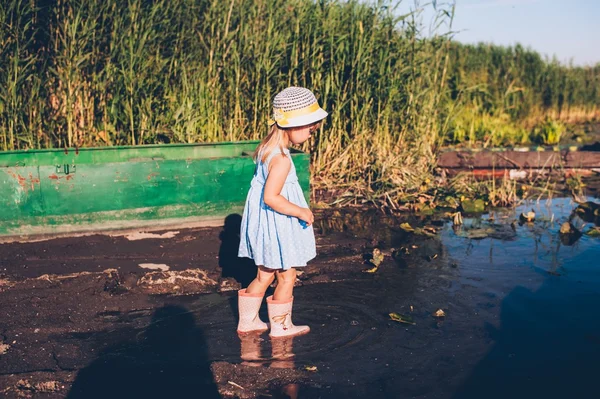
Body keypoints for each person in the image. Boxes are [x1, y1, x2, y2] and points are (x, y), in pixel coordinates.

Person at [237, 86, 327, 338]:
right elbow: (271, 197)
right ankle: (281, 327)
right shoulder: (282, 160)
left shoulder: (266, 148)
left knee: (264, 275)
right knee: (287, 276)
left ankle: (248, 322)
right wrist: (301, 211)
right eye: (309, 127)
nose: (311, 132)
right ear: (292, 125)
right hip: (278, 228)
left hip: (266, 226)